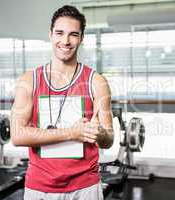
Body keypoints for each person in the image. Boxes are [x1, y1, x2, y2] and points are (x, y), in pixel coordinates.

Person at [11, 5, 114, 200]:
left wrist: (99, 133)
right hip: (39, 186)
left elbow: (108, 140)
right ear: (50, 35)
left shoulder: (97, 82)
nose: (65, 41)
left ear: (81, 38)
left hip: (85, 187)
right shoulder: (29, 80)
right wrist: (71, 133)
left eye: (73, 35)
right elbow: (17, 135)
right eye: (60, 33)